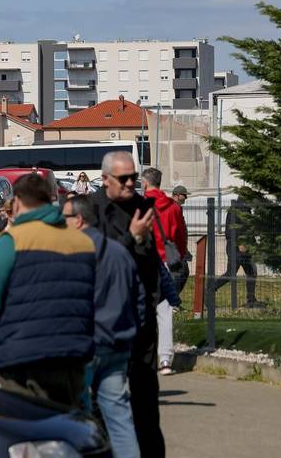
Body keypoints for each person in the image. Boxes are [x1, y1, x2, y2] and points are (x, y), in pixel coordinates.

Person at [0, 173, 95, 407]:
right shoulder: (84, 243)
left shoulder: (11, 240)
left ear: (16, 202)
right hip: (72, 355)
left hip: (21, 359)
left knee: (23, 436)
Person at [91, 151, 165, 458]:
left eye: (134, 177)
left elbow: (151, 263)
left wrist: (154, 301)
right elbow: (99, 263)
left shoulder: (143, 206)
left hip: (142, 318)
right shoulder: (92, 211)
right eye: (124, 179)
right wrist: (131, 239)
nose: (131, 183)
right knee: (104, 401)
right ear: (106, 178)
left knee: (146, 396)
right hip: (108, 323)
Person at [64, 194, 144, 458]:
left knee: (76, 414)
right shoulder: (120, 252)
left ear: (77, 220)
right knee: (120, 418)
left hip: (86, 343)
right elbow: (139, 298)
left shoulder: (73, 252)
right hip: (118, 342)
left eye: (64, 217)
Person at [141, 167, 188, 376]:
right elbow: (180, 235)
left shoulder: (139, 205)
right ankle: (166, 359)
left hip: (142, 261)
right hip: (165, 262)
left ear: (145, 182)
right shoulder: (173, 207)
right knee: (165, 310)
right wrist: (179, 254)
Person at [214, 198, 260, 308]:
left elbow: (247, 229)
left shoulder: (245, 209)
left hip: (244, 248)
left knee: (251, 273)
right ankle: (210, 290)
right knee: (230, 274)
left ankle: (251, 300)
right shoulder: (237, 209)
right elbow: (233, 230)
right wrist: (240, 243)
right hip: (236, 248)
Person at [170, 185, 191, 296]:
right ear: (177, 195)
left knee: (181, 272)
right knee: (181, 272)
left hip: (179, 247)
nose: (186, 198)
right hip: (174, 247)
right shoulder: (172, 208)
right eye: (184, 195)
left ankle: (172, 301)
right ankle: (171, 302)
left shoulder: (177, 207)